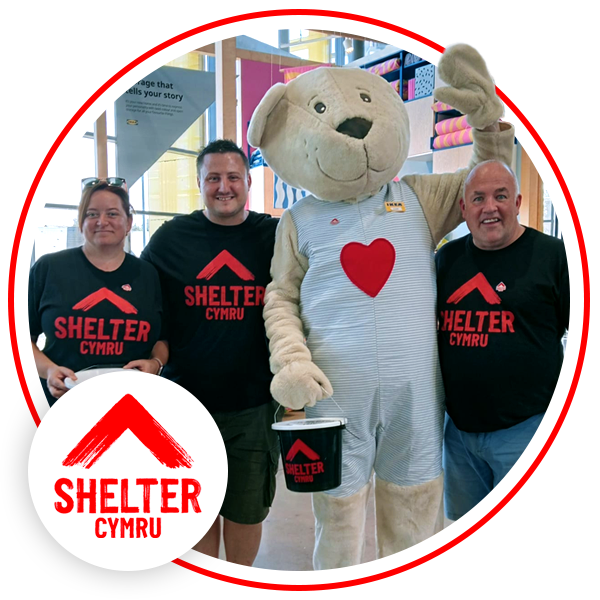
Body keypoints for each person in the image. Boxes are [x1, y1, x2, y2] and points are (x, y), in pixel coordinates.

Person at [140, 139, 279, 567]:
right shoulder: (171, 239)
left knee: (246, 511)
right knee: (198, 512)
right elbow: (145, 305)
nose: (224, 186)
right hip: (187, 404)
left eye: (232, 177)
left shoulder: (273, 235)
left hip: (254, 405)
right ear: (200, 183)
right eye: (213, 178)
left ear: (248, 182)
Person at [435, 160, 569, 520]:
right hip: (459, 435)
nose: (489, 207)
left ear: (518, 202)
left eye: (501, 196)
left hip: (526, 430)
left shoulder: (552, 256)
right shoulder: (446, 260)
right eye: (478, 198)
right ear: (464, 209)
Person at [29, 178, 167, 407]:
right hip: (62, 404)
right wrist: (49, 369)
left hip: (132, 406)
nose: (102, 222)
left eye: (112, 214)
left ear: (129, 222)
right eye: (92, 214)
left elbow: (163, 337)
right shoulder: (49, 268)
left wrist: (156, 363)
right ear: (81, 222)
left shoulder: (148, 274)